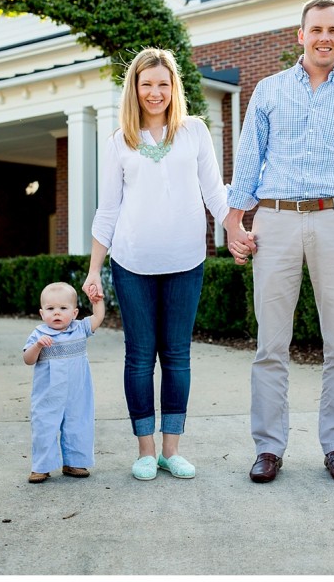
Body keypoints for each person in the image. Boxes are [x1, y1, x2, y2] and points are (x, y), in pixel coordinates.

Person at [224, 0, 334, 484]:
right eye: (315, 29)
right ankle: (269, 448)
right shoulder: (269, 91)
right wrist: (235, 223)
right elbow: (248, 162)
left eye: (333, 30)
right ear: (301, 35)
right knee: (270, 343)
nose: (324, 38)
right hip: (274, 221)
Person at [83, 47, 231, 481]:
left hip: (186, 261)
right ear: (134, 88)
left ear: (174, 88)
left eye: (163, 84)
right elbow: (107, 210)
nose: (155, 92)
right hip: (132, 264)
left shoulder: (195, 132)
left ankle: (172, 449)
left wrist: (236, 232)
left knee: (178, 356)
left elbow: (215, 193)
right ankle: (146, 450)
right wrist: (95, 269)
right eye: (146, 84)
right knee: (139, 357)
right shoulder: (119, 142)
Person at [23, 282, 105, 484]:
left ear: (75, 312)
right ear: (42, 314)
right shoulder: (39, 334)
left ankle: (74, 462)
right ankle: (41, 467)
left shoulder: (80, 329)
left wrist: (97, 302)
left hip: (77, 391)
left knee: (78, 423)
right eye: (50, 309)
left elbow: (98, 318)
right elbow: (28, 359)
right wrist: (37, 346)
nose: (56, 313)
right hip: (48, 393)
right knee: (45, 425)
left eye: (63, 308)